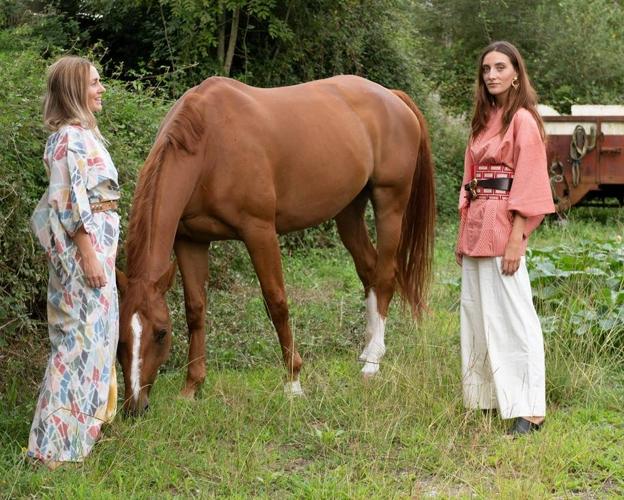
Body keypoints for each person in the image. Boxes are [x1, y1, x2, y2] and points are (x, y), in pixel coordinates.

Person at [456, 41, 555, 435]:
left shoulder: (523, 121)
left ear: (516, 73)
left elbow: (529, 181)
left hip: (505, 225)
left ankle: (529, 409)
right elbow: (468, 180)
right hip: (477, 224)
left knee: (514, 318)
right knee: (477, 314)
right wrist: (462, 235)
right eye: (486, 69)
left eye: (500, 67)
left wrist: (518, 237)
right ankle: (486, 398)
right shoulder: (483, 120)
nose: (492, 75)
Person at [28, 56, 120, 469]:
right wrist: (88, 254)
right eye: (95, 83)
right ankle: (49, 450)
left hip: (99, 250)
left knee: (95, 346)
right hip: (85, 256)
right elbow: (68, 201)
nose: (101, 89)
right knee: (75, 345)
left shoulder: (85, 135)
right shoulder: (68, 139)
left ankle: (78, 439)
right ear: (73, 91)